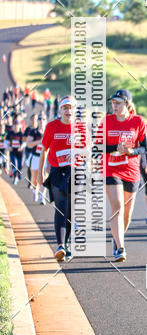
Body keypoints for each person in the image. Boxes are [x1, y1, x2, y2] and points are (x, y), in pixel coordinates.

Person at [97, 88, 147, 262]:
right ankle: (120, 248)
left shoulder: (138, 121)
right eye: (113, 103)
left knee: (127, 213)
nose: (115, 106)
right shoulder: (106, 121)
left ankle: (117, 237)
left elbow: (146, 147)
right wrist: (115, 148)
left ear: (127, 104)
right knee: (117, 206)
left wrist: (131, 151)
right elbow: (98, 146)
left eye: (118, 103)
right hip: (111, 169)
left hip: (131, 170)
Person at [38, 96, 85, 262]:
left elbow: (87, 150)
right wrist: (40, 172)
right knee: (61, 207)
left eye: (71, 107)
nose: (68, 111)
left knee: (70, 210)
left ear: (75, 110)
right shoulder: (52, 126)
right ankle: (60, 245)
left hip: (76, 172)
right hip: (58, 172)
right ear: (60, 110)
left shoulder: (81, 128)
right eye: (65, 108)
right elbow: (44, 150)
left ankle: (66, 244)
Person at [25, 112, 43, 202]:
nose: (41, 121)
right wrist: (39, 142)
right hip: (35, 157)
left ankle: (42, 197)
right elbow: (28, 144)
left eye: (43, 119)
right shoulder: (34, 131)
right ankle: (35, 191)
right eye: (40, 119)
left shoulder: (48, 131)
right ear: (38, 121)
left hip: (45, 158)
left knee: (44, 177)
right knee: (34, 178)